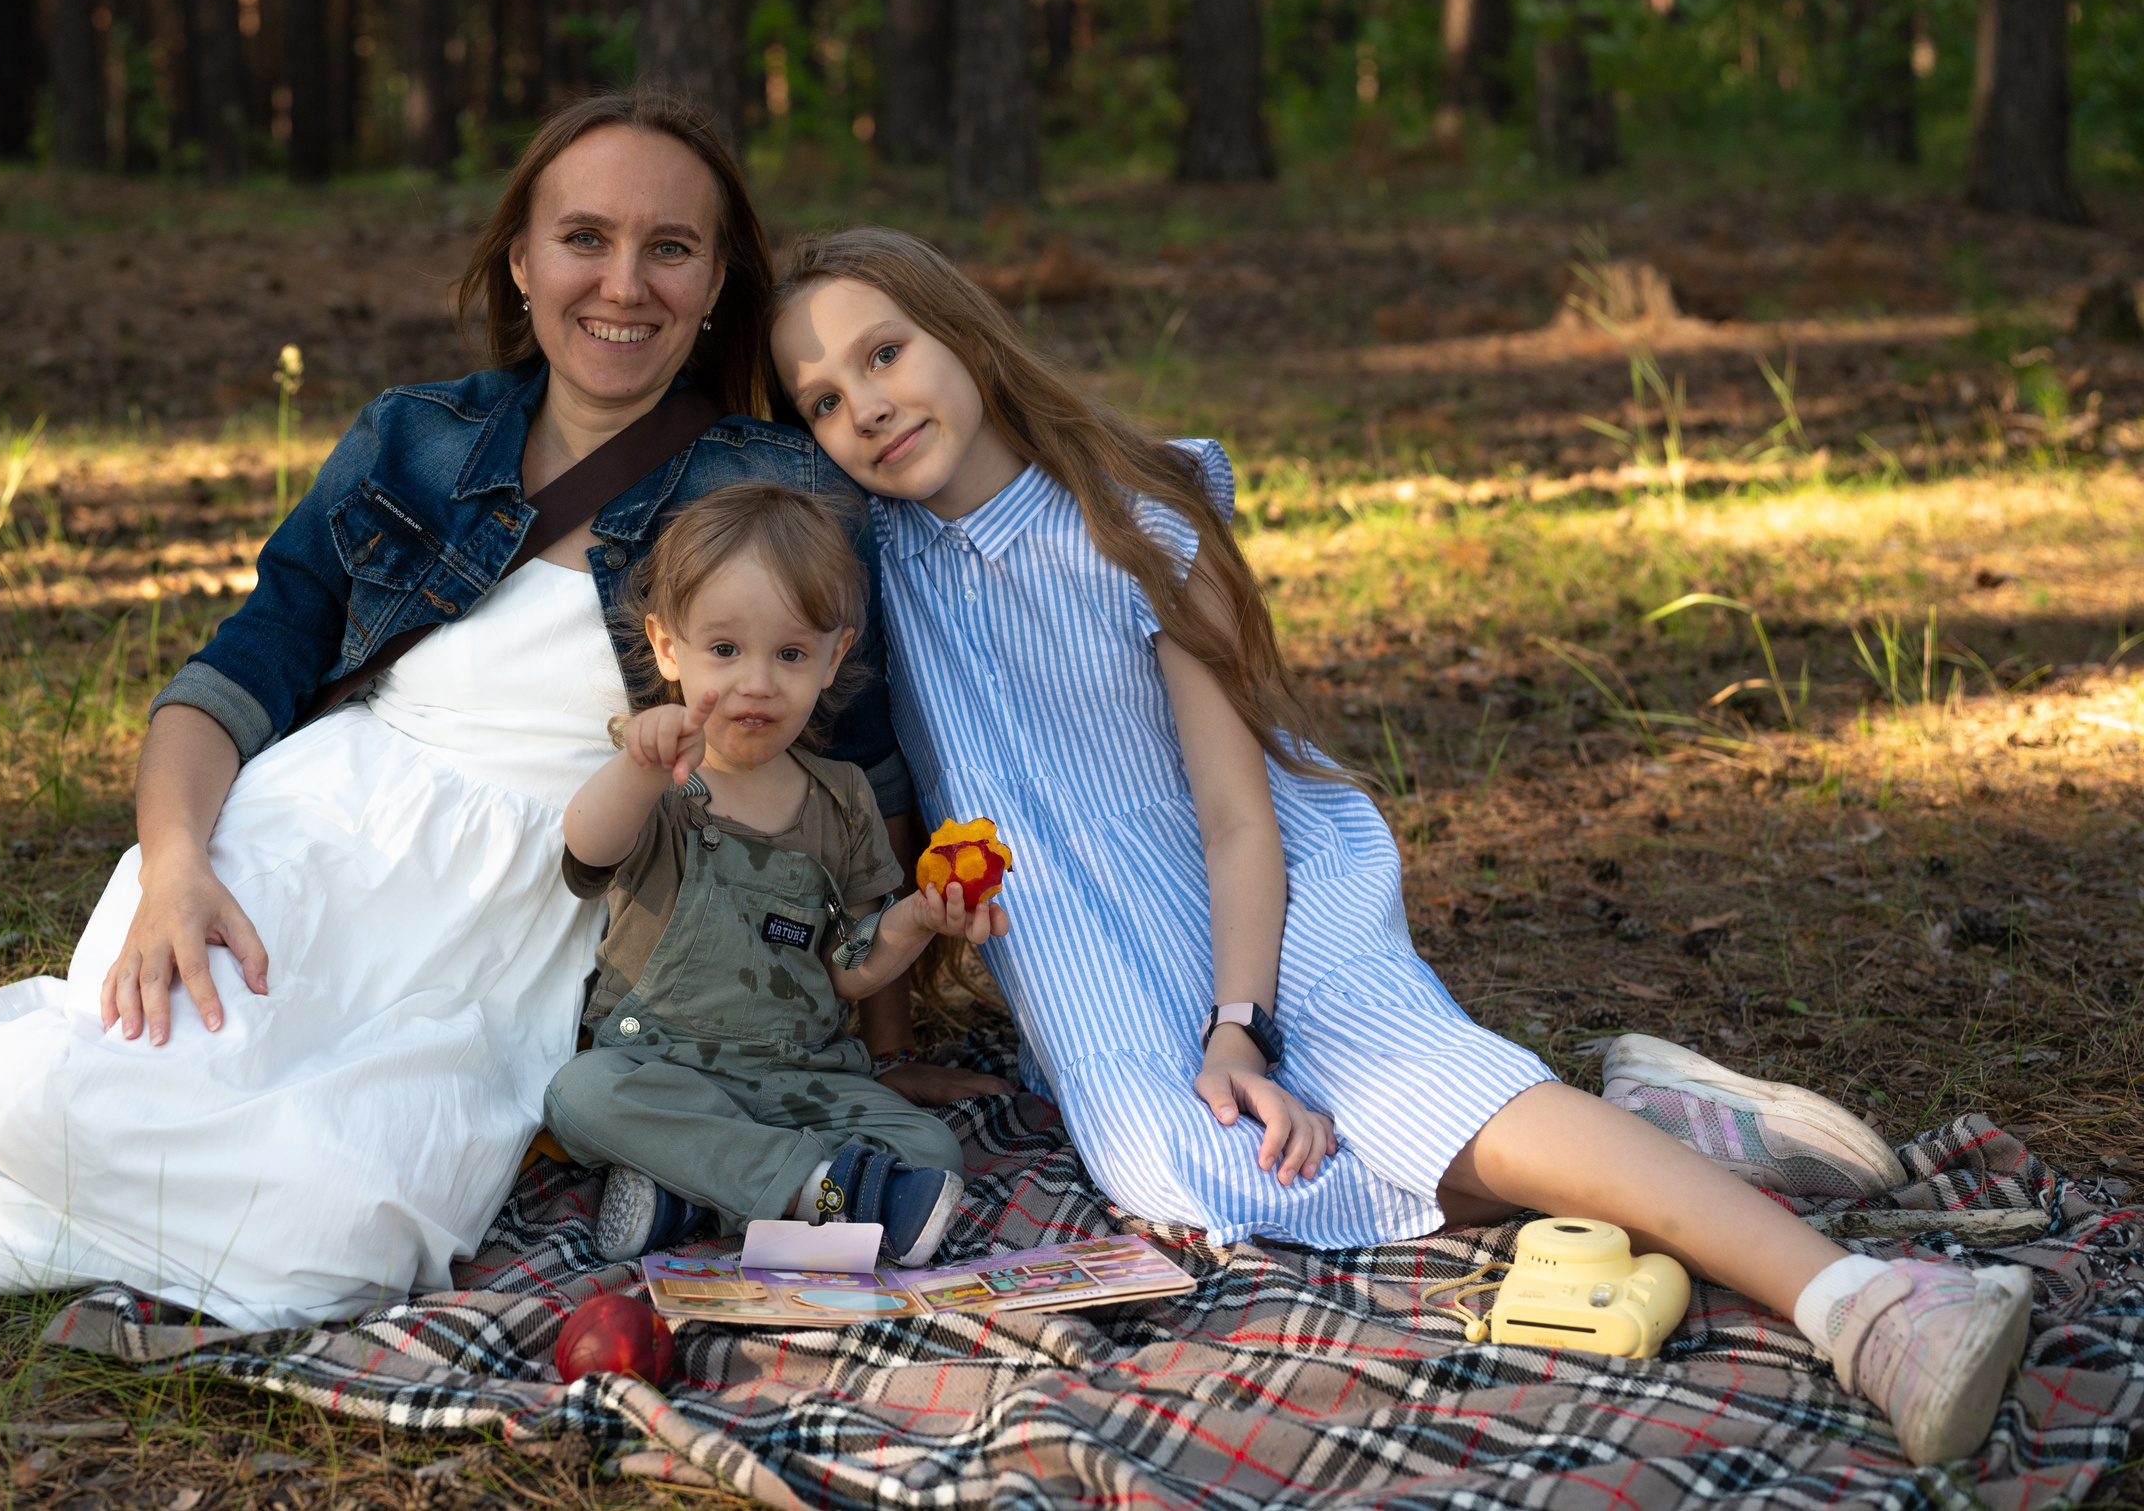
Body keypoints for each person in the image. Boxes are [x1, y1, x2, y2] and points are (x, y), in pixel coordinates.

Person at [0, 90, 995, 1332]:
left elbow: (854, 773)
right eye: (584, 238)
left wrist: (873, 1049)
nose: (624, 282)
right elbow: (239, 671)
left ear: (716, 287)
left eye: (671, 248)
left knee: (345, 1238)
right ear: (522, 259)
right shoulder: (414, 440)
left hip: (541, 904)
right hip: (323, 835)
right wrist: (178, 869)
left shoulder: (772, 481)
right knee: (98, 1079)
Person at [764, 225, 2034, 1470]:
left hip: (1265, 901)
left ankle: (1863, 1304)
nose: (865, 407)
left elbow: (1235, 816)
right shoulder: (876, 562)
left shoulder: (1133, 522)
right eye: (822, 398)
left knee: (1400, 1089)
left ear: (967, 338)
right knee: (1177, 1172)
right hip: (1095, 947)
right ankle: (1641, 1130)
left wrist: (1239, 1020)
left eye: (885, 354)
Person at [544, 484, 972, 1266]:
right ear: (668, 648)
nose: (757, 682)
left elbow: (851, 970)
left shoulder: (843, 800)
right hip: (662, 1065)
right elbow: (587, 848)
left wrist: (915, 920)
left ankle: (685, 1196)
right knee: (581, 1095)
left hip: (799, 1079)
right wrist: (639, 768)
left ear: (834, 655)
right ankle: (814, 1191)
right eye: (725, 650)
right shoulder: (660, 780)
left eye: (791, 653)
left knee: (930, 1142)